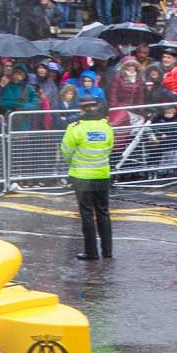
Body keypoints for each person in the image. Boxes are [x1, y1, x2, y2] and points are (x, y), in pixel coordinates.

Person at [61, 97, 114, 260]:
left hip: (82, 177)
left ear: (82, 110)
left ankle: (91, 252)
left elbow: (66, 151)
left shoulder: (74, 128)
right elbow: (110, 148)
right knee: (103, 213)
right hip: (102, 175)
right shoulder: (106, 127)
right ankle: (107, 251)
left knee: (87, 214)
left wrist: (74, 163)